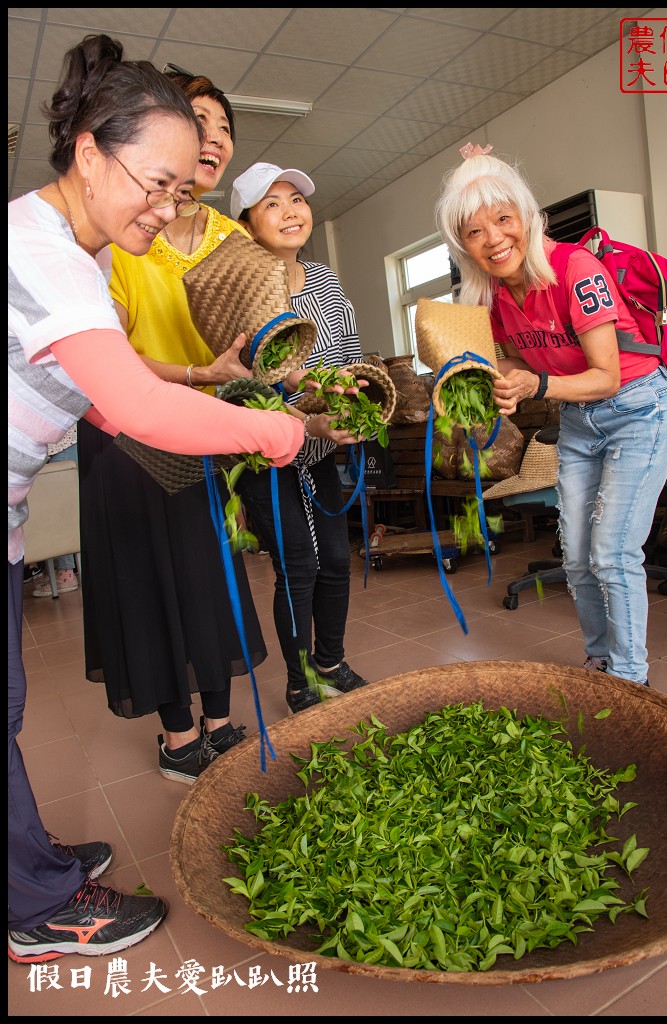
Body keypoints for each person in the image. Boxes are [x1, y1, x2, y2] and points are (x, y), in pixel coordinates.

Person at [8, 34, 305, 963]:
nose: (170, 205)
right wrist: (275, 432)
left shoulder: (81, 259)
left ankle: (28, 863)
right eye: (156, 181)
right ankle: (35, 909)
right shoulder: (40, 247)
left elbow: (109, 392)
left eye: (184, 188)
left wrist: (210, 395)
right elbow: (134, 403)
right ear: (91, 152)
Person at [435, 143, 667, 687]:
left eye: (503, 219)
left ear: (527, 217)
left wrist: (536, 383)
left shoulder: (576, 269)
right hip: (577, 420)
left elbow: (607, 376)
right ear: (463, 246)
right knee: (574, 554)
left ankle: (631, 679)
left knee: (613, 551)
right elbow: (520, 356)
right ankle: (600, 661)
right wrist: (499, 376)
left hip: (637, 409)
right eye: (474, 232)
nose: (494, 238)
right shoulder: (492, 297)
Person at [230, 162, 371, 713]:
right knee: (299, 565)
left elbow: (349, 360)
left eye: (297, 199)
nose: (290, 211)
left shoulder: (326, 284)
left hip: (320, 448)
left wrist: (357, 409)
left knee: (336, 559)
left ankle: (331, 663)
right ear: (245, 224)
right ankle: (300, 680)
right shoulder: (240, 292)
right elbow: (244, 384)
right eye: (272, 204)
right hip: (266, 452)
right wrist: (301, 418)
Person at [31, 425, 80, 597]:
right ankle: (65, 572)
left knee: (59, 512)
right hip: (68, 437)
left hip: (60, 441)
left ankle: (65, 574)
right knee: (66, 509)